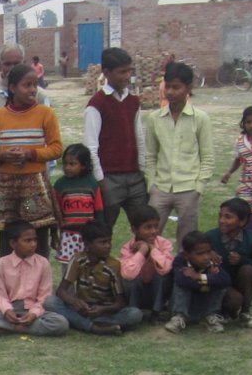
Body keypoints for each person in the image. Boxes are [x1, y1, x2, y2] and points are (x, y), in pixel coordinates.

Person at [0, 63, 62, 255]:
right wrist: (2, 156)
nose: (33, 89)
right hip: (7, 187)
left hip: (35, 185)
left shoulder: (46, 114)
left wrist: (30, 154)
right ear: (12, 88)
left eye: (35, 84)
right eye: (27, 85)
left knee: (37, 240)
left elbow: (57, 148)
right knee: (8, 240)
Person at [142, 61, 213, 238]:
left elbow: (207, 157)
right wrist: (152, 184)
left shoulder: (200, 118)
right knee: (149, 235)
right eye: (168, 86)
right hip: (160, 187)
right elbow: (150, 155)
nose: (170, 92)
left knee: (188, 239)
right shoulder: (154, 118)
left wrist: (199, 186)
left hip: (189, 188)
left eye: (176, 87)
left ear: (188, 88)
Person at [0, 220, 68, 336]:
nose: (33, 244)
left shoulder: (43, 263)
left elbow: (44, 296)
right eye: (27, 241)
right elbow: (0, 295)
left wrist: (34, 313)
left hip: (33, 308)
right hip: (10, 308)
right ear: (13, 243)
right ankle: (19, 327)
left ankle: (7, 328)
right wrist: (7, 310)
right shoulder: (3, 263)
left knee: (61, 323)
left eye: (35, 240)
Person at [82, 47, 146, 237]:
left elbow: (139, 137)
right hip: (109, 177)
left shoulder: (133, 102)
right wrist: (100, 180)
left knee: (143, 227)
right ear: (106, 72)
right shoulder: (97, 104)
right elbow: (91, 146)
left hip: (135, 176)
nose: (127, 76)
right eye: (122, 72)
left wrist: (142, 170)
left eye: (129, 71)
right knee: (103, 231)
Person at [45, 220, 143, 335]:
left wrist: (102, 309)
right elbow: (61, 291)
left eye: (109, 241)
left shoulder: (113, 266)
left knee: (135, 314)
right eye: (102, 242)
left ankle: (83, 323)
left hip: (105, 311)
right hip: (82, 309)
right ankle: (95, 327)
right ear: (87, 244)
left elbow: (120, 303)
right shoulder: (77, 259)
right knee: (50, 302)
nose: (108, 246)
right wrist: (74, 301)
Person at [205, 197, 252, 325]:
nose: (222, 220)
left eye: (228, 217)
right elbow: (192, 256)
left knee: (248, 270)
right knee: (234, 300)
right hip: (219, 285)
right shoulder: (210, 237)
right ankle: (222, 312)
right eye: (220, 216)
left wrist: (242, 260)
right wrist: (208, 255)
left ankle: (245, 311)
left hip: (240, 282)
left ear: (242, 221)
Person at [165, 232, 230, 333]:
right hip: (184, 304)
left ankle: (210, 317)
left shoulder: (212, 261)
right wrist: (208, 281)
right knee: (182, 285)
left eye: (208, 252)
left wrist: (198, 276)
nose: (206, 257)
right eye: (200, 254)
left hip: (204, 305)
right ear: (187, 255)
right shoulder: (180, 261)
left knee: (219, 283)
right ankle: (179, 318)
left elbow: (225, 280)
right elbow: (183, 281)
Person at [221, 105, 252, 239]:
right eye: (248, 122)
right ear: (243, 123)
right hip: (247, 184)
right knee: (246, 213)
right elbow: (239, 159)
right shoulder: (240, 141)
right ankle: (250, 239)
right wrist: (229, 173)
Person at [53, 144, 104, 267]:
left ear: (83, 165)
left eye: (72, 164)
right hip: (68, 235)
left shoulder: (92, 183)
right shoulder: (60, 185)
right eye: (65, 164)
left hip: (88, 236)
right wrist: (54, 234)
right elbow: (56, 211)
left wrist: (100, 231)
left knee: (89, 267)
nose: (67, 167)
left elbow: (98, 209)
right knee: (68, 268)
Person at [119, 206, 174, 318]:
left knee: (162, 276)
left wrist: (152, 249)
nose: (153, 231)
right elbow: (128, 274)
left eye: (156, 226)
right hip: (139, 292)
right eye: (148, 227)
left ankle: (157, 311)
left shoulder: (164, 244)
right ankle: (134, 310)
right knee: (129, 280)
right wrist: (142, 251)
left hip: (157, 291)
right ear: (134, 230)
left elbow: (165, 269)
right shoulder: (127, 248)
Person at [0, 43, 54, 120]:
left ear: (24, 64)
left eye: (17, 64)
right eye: (7, 64)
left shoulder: (40, 96)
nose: (12, 69)